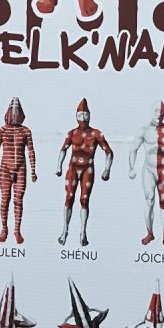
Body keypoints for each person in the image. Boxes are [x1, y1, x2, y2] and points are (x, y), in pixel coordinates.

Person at [56, 97, 113, 247]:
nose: (83, 118)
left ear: (90, 115)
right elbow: (63, 149)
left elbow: (108, 151)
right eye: (80, 115)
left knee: (84, 199)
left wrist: (107, 169)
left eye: (85, 115)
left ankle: (83, 231)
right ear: (76, 115)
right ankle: (65, 230)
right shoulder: (71, 133)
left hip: (88, 167)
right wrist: (59, 166)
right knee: (69, 197)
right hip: (73, 167)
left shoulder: (96, 133)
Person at [128, 101, 164, 249]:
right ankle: (150, 233)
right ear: (151, 111)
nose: (159, 114)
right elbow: (133, 149)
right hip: (148, 170)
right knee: (149, 200)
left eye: (162, 112)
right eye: (156, 111)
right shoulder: (143, 130)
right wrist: (131, 168)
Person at [0, 96, 38, 244]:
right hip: (5, 168)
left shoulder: (26, 131)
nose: (15, 114)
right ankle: (4, 229)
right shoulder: (2, 130)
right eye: (13, 111)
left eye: (17, 111)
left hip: (21, 168)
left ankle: (17, 230)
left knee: (18, 200)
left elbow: (30, 151)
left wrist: (33, 170)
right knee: (5, 200)